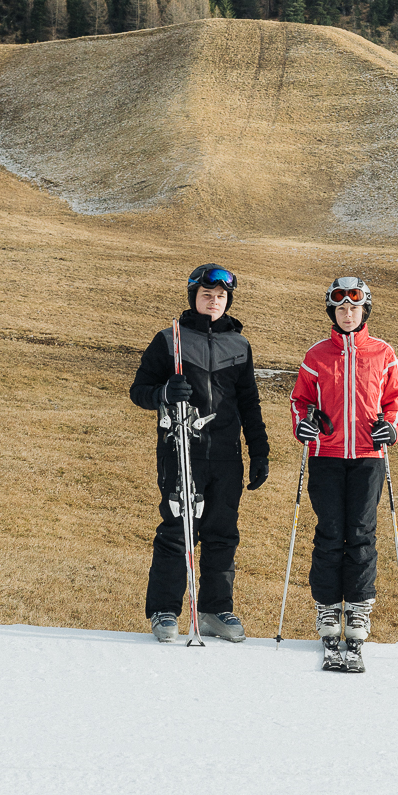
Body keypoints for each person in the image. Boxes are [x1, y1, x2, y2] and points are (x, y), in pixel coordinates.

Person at [130, 264, 270, 643]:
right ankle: (164, 610)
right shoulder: (170, 340)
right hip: (181, 450)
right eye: (207, 295)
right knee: (178, 530)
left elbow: (249, 404)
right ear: (194, 296)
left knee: (222, 532)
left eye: (221, 297)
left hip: (226, 455)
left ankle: (214, 609)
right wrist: (163, 393)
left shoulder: (239, 346)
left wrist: (259, 451)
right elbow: (138, 390)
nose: (214, 302)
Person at [289, 276, 398, 649]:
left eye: (353, 306)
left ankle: (357, 607)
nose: (347, 312)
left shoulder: (383, 353)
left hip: (368, 458)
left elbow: (396, 399)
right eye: (340, 307)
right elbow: (300, 401)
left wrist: (391, 427)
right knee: (328, 532)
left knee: (360, 533)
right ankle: (327, 607)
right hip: (325, 455)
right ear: (332, 311)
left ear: (364, 310)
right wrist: (304, 424)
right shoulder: (317, 354)